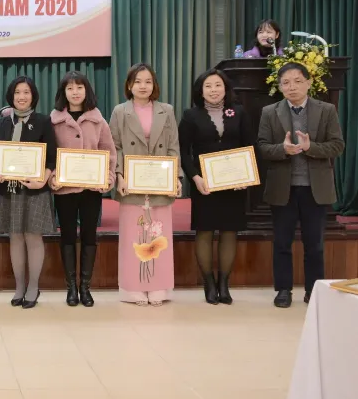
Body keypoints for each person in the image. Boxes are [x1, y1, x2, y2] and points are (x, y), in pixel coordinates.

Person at [257, 62, 345, 308]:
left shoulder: (326, 110)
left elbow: (337, 145)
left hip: (315, 189)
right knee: (282, 243)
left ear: (308, 82)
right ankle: (283, 290)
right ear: (280, 87)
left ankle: (313, 291)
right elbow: (262, 147)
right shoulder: (269, 112)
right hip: (282, 188)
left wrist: (310, 147)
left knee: (314, 245)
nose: (292, 86)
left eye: (297, 81)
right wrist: (282, 150)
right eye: (286, 82)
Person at [179, 69, 255, 305]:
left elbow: (250, 145)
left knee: (229, 231)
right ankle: (209, 283)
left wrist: (247, 176)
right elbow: (184, 151)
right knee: (205, 231)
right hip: (204, 184)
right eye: (208, 86)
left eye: (218, 85)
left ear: (226, 88)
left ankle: (224, 284)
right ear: (200, 91)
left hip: (234, 184)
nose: (213, 90)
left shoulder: (239, 112)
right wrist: (195, 177)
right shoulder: (191, 115)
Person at [109, 63, 182, 307]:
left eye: (148, 81)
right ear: (129, 85)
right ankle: (133, 288)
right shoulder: (120, 111)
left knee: (159, 235)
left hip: (160, 182)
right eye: (138, 81)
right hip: (132, 183)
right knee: (133, 235)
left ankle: (159, 287)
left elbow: (173, 146)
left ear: (154, 85)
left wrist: (175, 177)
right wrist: (119, 175)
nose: (143, 86)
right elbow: (115, 146)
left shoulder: (166, 110)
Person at [49, 71, 115, 308]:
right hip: (65, 189)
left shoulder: (99, 120)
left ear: (87, 91)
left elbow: (109, 152)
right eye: (70, 88)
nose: (75, 92)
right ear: (63, 92)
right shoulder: (54, 120)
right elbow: (49, 155)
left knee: (89, 235)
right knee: (67, 235)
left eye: (79, 87)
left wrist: (108, 177)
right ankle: (71, 288)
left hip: (91, 189)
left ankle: (85, 287)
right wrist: (53, 177)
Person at [0, 76, 57, 309]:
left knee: (32, 236)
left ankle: (33, 287)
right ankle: (19, 286)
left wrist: (43, 179)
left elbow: (52, 157)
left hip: (35, 190)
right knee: (15, 238)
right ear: (11, 96)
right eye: (17, 92)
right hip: (10, 190)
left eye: (26, 92)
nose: (21, 97)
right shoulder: (3, 123)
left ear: (33, 96)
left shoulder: (44, 121)